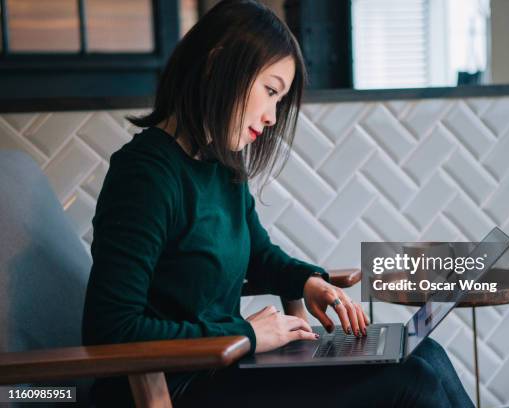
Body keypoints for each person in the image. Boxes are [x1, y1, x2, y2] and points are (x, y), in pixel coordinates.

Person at [81, 1, 474, 407]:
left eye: (278, 100)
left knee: (427, 355)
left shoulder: (220, 165)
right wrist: (245, 334)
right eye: (270, 91)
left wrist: (309, 282)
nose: (272, 117)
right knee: (412, 381)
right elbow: (111, 329)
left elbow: (260, 255)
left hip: (224, 366)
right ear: (217, 66)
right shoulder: (145, 175)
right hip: (174, 387)